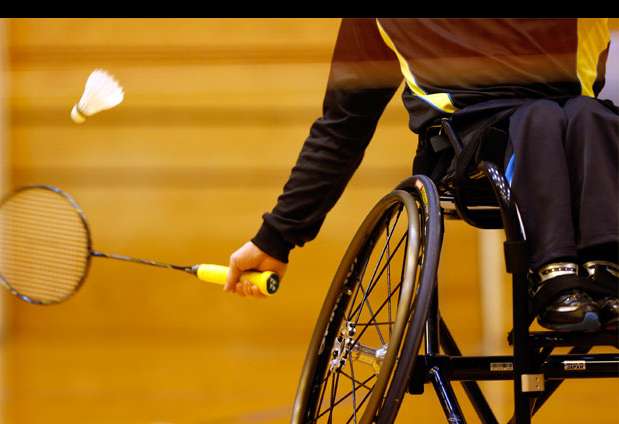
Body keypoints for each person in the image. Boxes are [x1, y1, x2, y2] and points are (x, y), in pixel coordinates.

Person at [223, 18, 619, 332]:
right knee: (542, 117)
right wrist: (276, 237)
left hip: (577, 138)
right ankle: (555, 275)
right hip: (469, 147)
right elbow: (343, 126)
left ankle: (606, 269)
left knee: (592, 116)